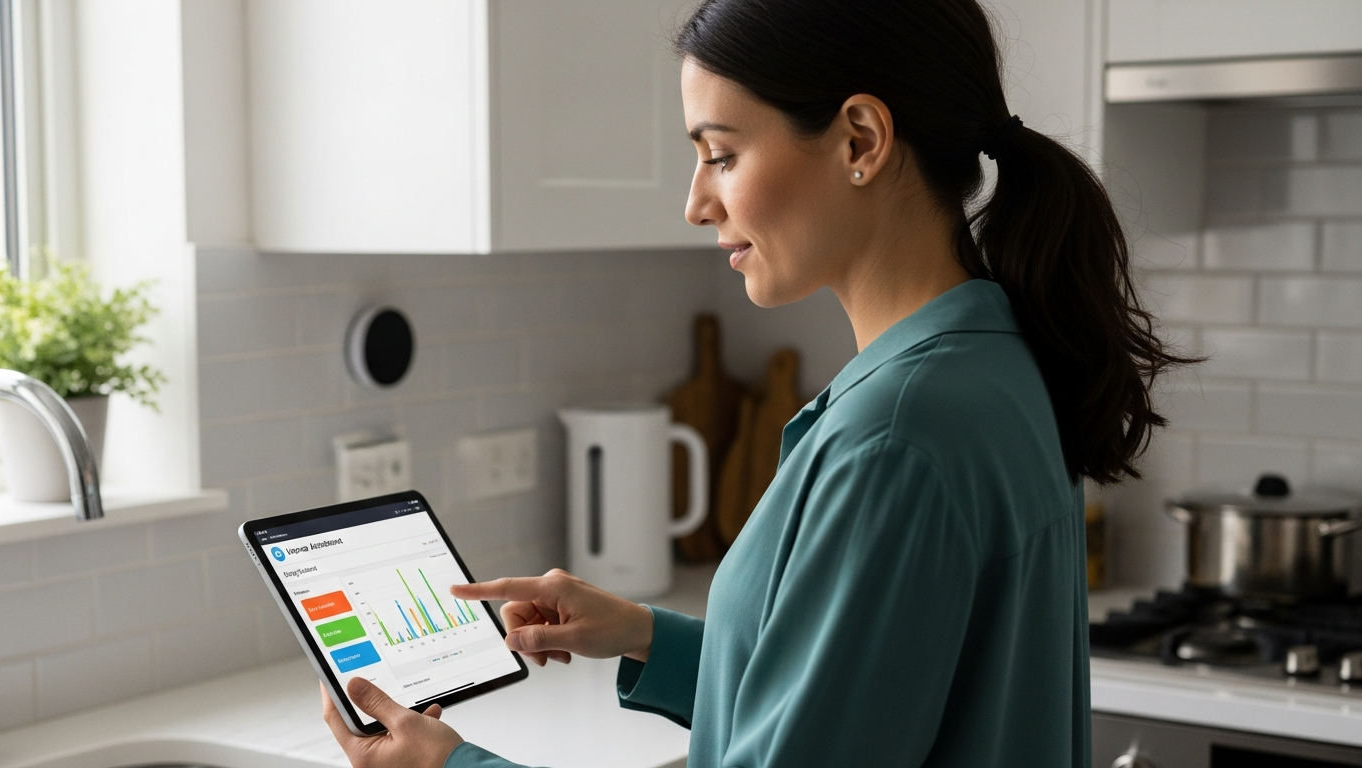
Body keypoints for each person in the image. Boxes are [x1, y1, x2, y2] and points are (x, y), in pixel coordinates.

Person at [321, 0, 1193, 766]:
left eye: (722, 154)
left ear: (861, 140)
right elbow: (862, 700)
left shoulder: (896, 435)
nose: (697, 202)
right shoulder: (993, 358)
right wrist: (644, 636)